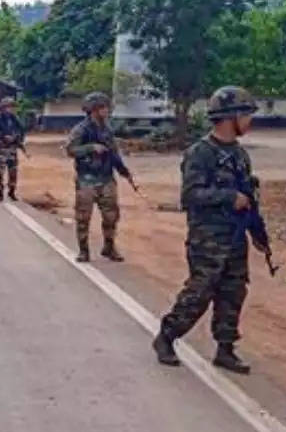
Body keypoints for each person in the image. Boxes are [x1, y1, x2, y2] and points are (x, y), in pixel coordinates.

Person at [153, 86, 264, 375]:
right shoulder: (200, 153)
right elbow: (190, 196)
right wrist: (229, 197)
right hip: (208, 239)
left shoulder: (239, 155)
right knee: (200, 291)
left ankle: (225, 349)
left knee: (233, 292)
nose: (250, 121)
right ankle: (167, 336)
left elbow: (247, 197)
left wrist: (257, 233)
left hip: (236, 236)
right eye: (247, 115)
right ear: (231, 117)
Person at [65, 91, 136, 263]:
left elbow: (113, 153)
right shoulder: (80, 130)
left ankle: (109, 247)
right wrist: (90, 148)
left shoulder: (107, 129)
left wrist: (123, 171)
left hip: (106, 178)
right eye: (103, 107)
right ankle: (83, 250)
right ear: (94, 110)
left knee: (111, 216)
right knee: (83, 217)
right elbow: (70, 150)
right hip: (86, 179)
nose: (107, 110)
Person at [0, 97, 26, 202]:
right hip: (1, 149)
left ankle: (11, 192)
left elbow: (22, 130)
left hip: (12, 149)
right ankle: (0, 193)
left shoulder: (15, 118)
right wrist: (3, 136)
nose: (11, 109)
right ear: (3, 108)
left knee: (13, 172)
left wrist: (16, 138)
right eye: (9, 107)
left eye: (12, 107)